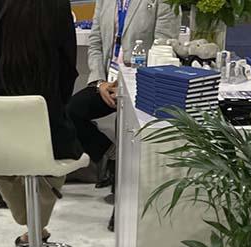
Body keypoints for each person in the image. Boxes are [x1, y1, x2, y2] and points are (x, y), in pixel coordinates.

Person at [0, 0, 82, 247]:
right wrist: (53, 102)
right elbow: (68, 69)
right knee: (64, 150)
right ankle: (34, 222)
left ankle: (31, 223)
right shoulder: (55, 5)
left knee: (2, 163)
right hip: (48, 131)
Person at [66, 0, 177, 187]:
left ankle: (125, 179)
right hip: (107, 81)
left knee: (128, 122)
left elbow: (163, 49)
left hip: (141, 83)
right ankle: (111, 155)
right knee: (71, 110)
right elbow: (95, 43)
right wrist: (99, 82)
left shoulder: (162, 2)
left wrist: (131, 83)